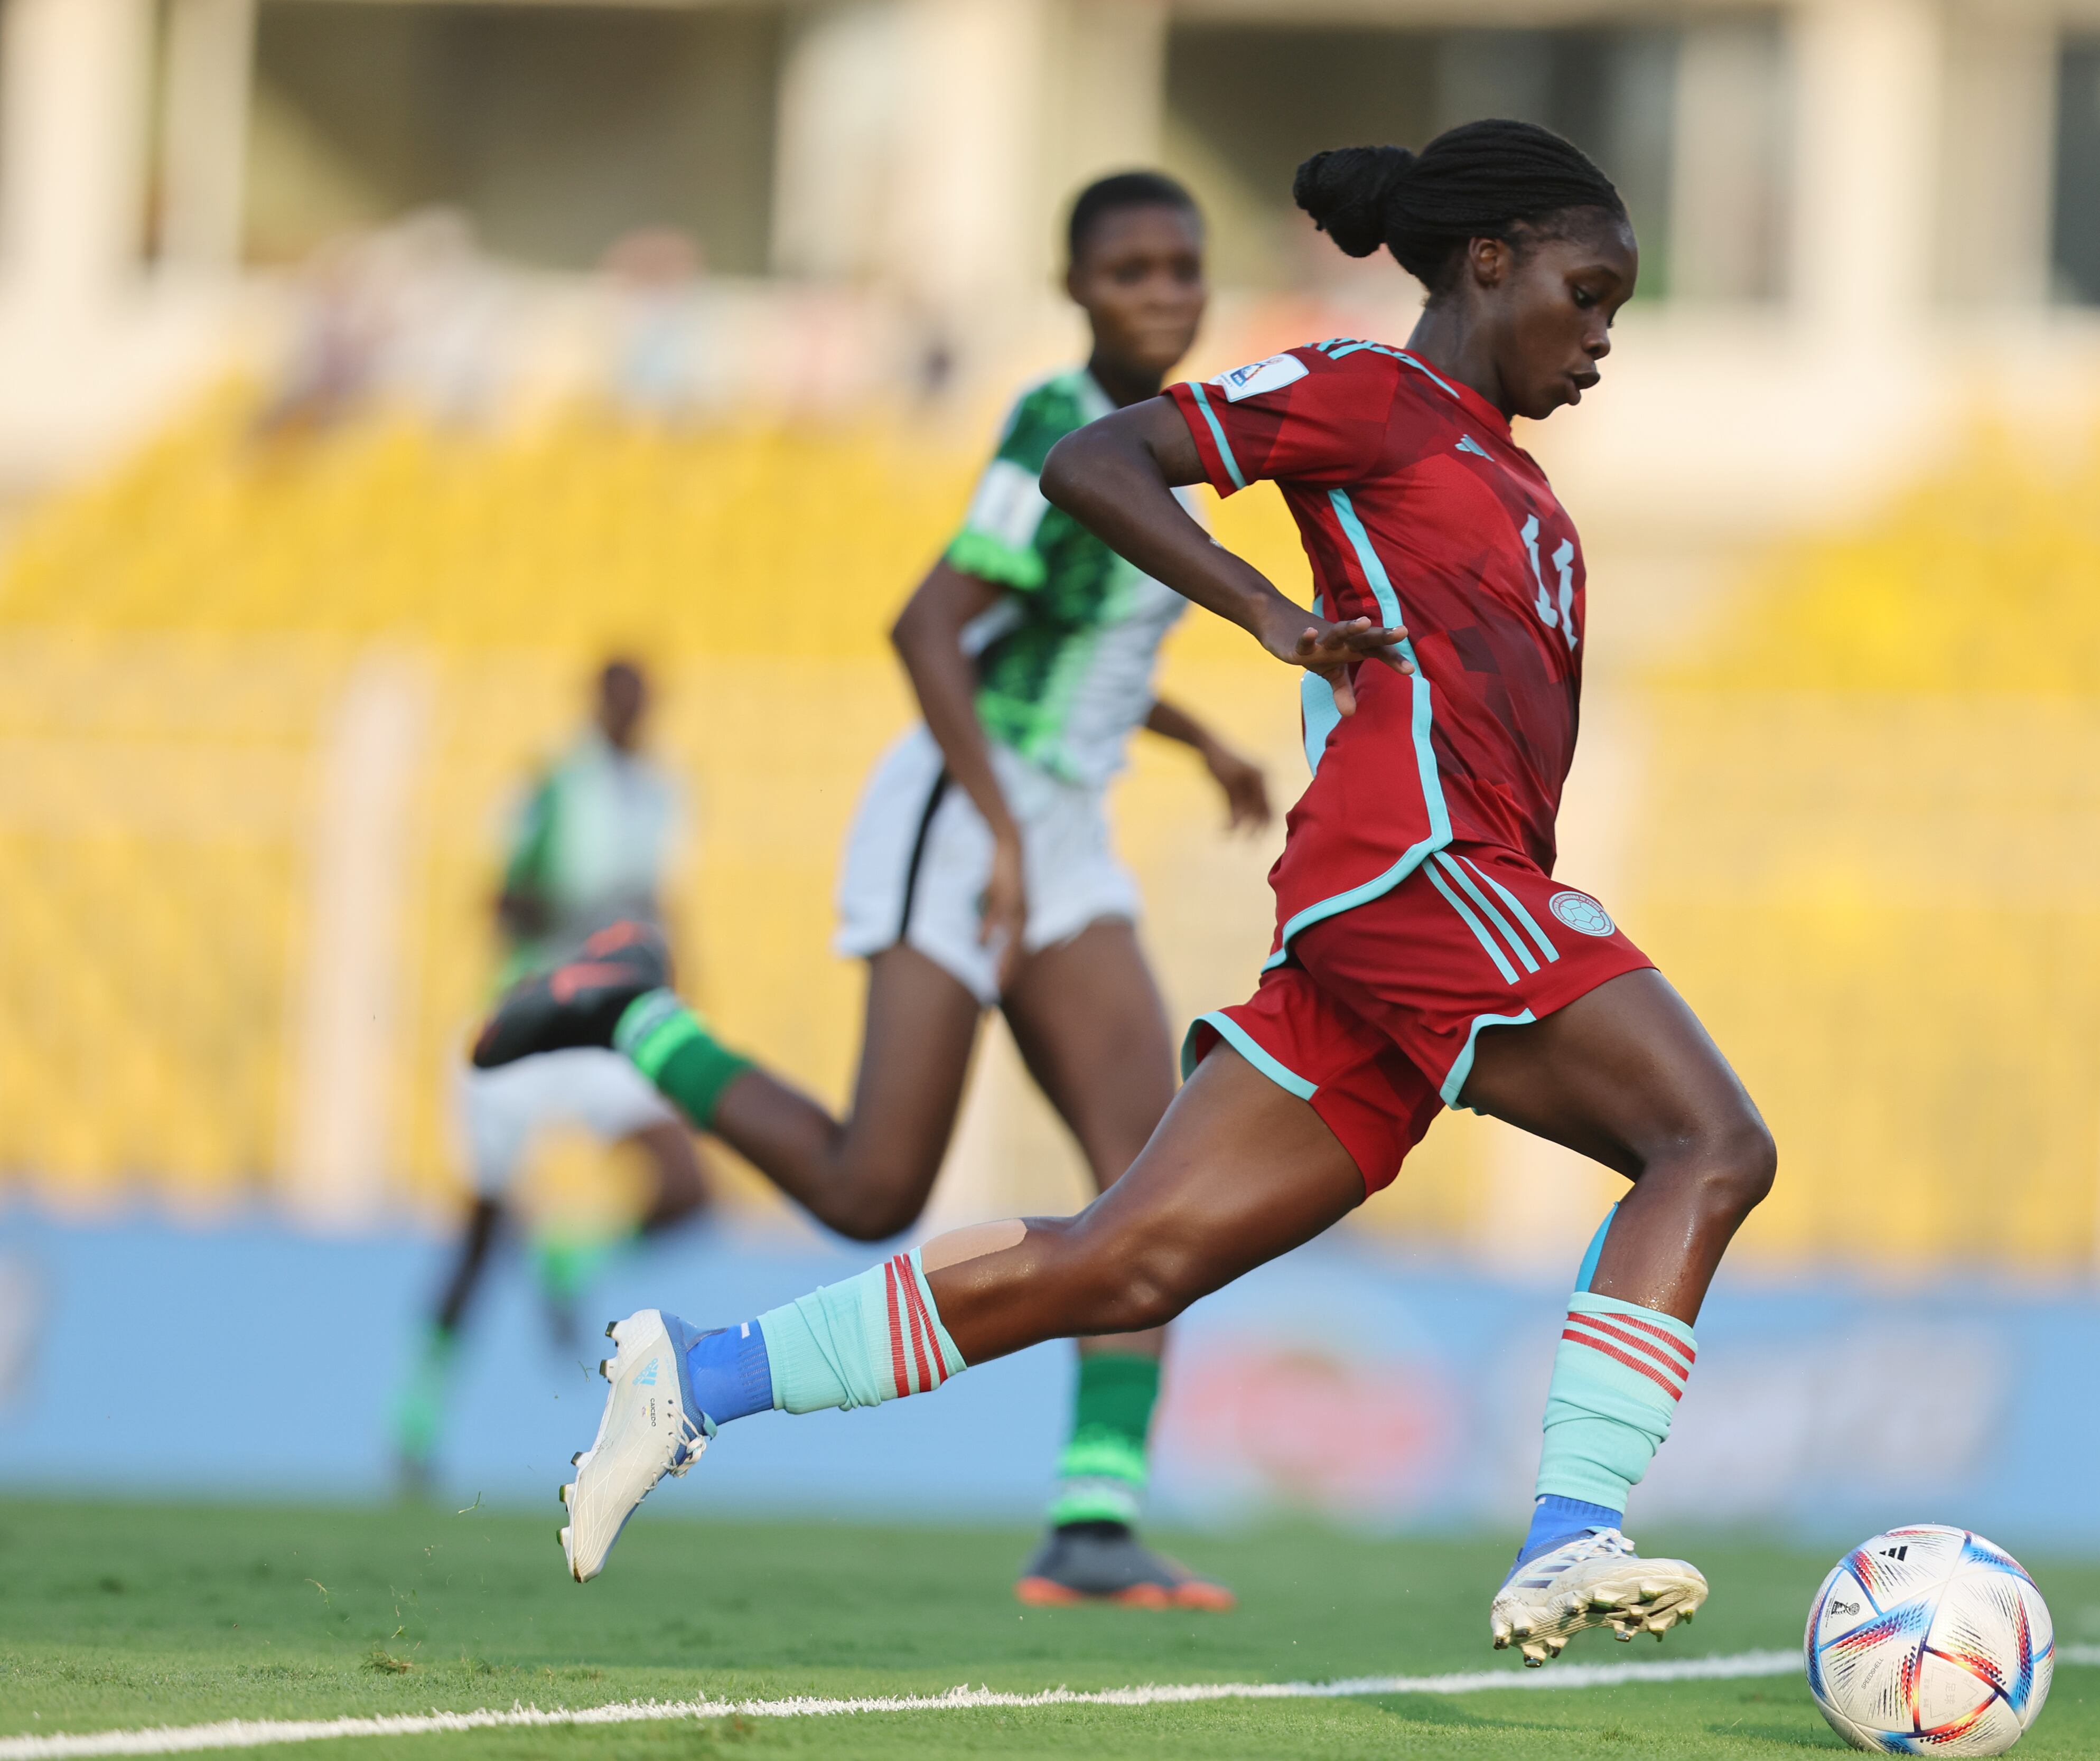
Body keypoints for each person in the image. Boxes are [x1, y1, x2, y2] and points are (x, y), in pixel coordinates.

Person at [539, 120, 1777, 1664]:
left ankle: (693, 1376)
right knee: (1708, 1140)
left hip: (1408, 922)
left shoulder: (1514, 481)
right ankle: (1568, 1527)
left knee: (1124, 1260)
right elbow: (1094, 457)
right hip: (1421, 877)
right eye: (1588, 294)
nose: (1603, 336)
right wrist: (1264, 607)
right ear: (1489, 261)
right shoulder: (1372, 395)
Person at [473, 171, 1267, 1609]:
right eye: (1130, 268)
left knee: (1155, 1175)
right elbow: (930, 624)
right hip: (967, 819)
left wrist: (1197, 736)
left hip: (1063, 824)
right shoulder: (1053, 426)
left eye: (1182, 265)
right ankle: (627, 1010)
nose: (1162, 289)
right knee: (870, 1186)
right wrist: (999, 829)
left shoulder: (1169, 441)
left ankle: (1094, 1521)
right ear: (1075, 288)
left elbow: (1067, 638)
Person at [394, 658, 707, 1492]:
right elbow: (499, 900)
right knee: (483, 1231)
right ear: (598, 701)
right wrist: (582, 924)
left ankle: (574, 1252)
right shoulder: (551, 786)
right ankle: (415, 1419)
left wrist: (678, 988)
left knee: (688, 1184)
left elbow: (667, 909)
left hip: (605, 1024)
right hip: (528, 1019)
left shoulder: (664, 793)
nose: (633, 712)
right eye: (621, 697)